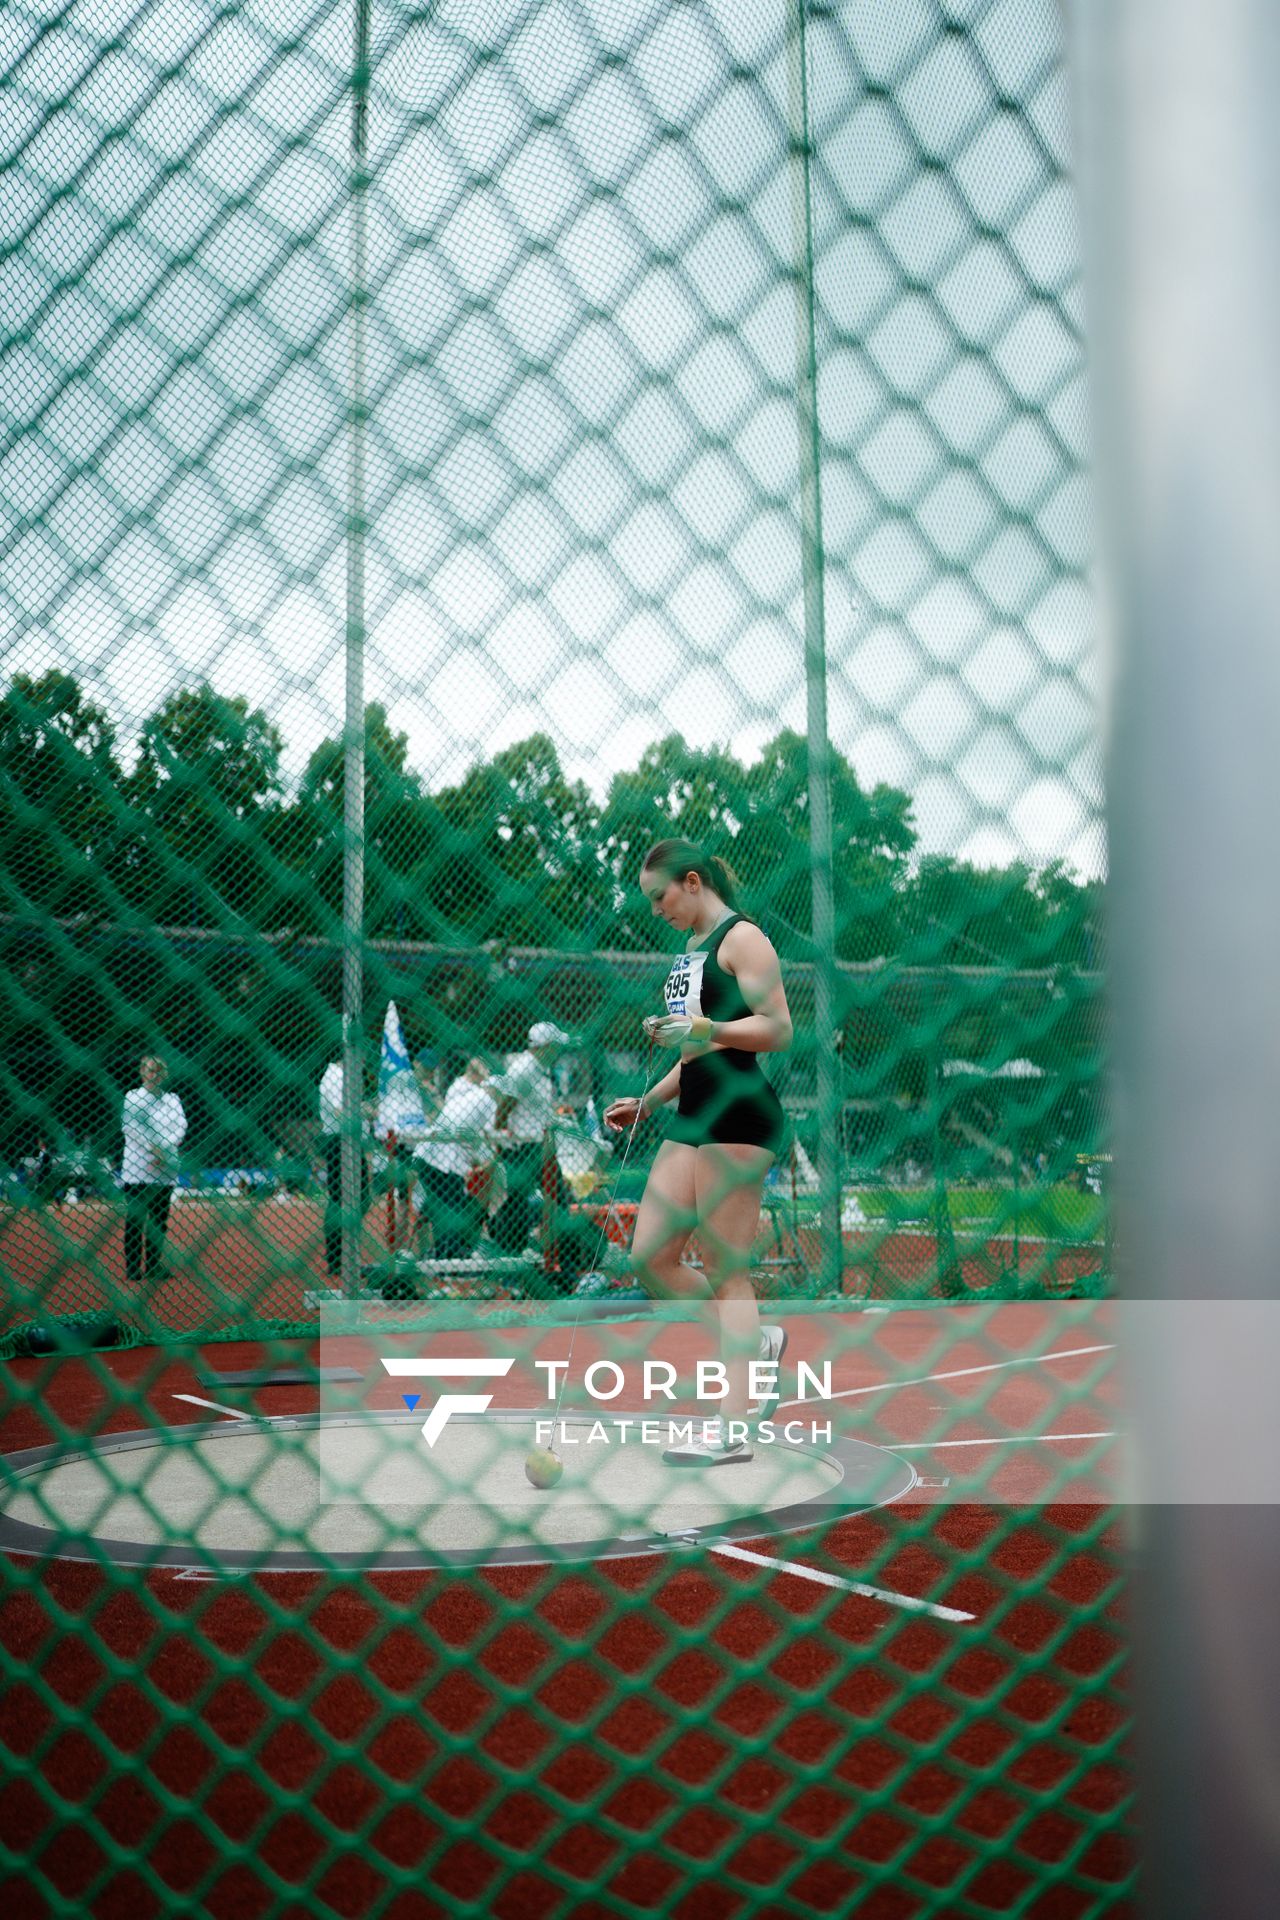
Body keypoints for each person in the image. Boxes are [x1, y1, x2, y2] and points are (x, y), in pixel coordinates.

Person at [604, 840, 792, 1464]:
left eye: (659, 897)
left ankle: (731, 1428)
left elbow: (778, 1029)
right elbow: (692, 1053)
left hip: (739, 1113)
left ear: (691, 881)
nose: (655, 910)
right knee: (650, 1258)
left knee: (725, 1270)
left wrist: (706, 1028)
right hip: (690, 1115)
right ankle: (755, 1347)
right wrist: (648, 1102)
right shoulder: (690, 952)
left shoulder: (744, 939)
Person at [488, 1021, 575, 1256]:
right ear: (545, 1046)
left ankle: (533, 1249)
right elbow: (504, 1108)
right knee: (523, 1203)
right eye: (555, 1046)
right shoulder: (524, 1069)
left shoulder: (540, 1069)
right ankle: (509, 1249)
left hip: (537, 1146)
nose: (559, 1051)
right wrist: (502, 1142)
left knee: (553, 1199)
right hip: (522, 1147)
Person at [413, 1056, 497, 1259]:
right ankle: (447, 1257)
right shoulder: (487, 1103)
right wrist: (488, 1162)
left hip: (428, 1156)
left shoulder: (470, 1095)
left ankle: (442, 1254)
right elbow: (488, 1148)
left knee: (449, 1205)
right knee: (455, 1207)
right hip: (442, 1162)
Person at [121, 1055, 186, 1293]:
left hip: (164, 1170)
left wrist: (165, 1148)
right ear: (142, 1072)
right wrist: (154, 1147)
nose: (154, 1075)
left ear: (164, 1074)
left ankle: (153, 1265)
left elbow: (181, 1126)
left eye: (158, 1071)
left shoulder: (172, 1099)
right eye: (150, 1070)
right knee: (135, 1220)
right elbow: (130, 1127)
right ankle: (132, 1267)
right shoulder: (133, 1097)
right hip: (138, 1169)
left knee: (159, 1220)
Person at [318, 1056, 369, 1279]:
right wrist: (366, 1111)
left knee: (356, 1196)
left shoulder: (342, 1077)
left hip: (347, 1140)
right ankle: (337, 1256)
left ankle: (341, 1253)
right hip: (340, 1140)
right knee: (343, 1198)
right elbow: (341, 1111)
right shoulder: (336, 1078)